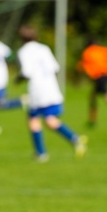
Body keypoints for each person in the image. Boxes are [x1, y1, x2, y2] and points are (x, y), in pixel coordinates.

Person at [16, 25, 87, 162]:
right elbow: (55, 67)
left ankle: (41, 153)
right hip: (51, 88)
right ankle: (75, 139)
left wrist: (18, 79)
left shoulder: (23, 52)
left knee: (34, 119)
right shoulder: (44, 48)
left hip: (37, 90)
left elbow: (27, 72)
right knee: (50, 120)